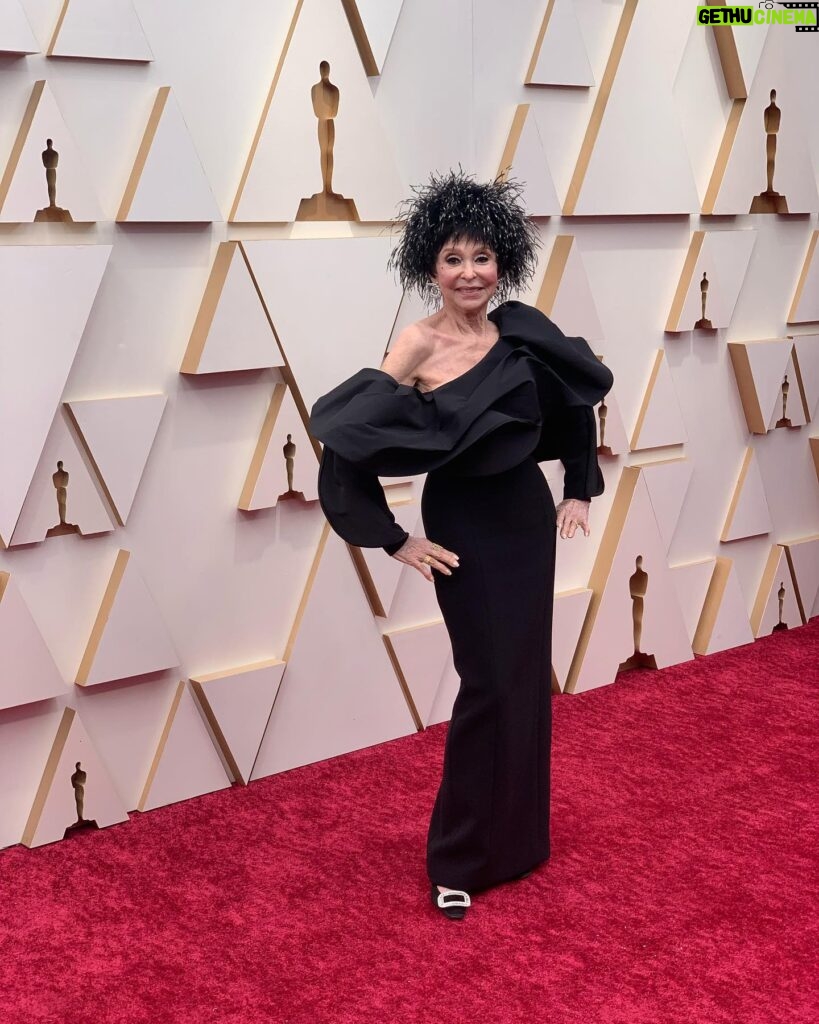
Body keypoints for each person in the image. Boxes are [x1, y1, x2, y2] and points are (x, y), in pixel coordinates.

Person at [309, 171, 613, 920]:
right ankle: (458, 857)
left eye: (481, 258)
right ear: (430, 267)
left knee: (522, 681)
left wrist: (576, 487)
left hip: (523, 516)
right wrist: (392, 539)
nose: (470, 272)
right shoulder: (416, 342)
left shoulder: (520, 328)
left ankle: (518, 843)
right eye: (453, 259)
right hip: (461, 524)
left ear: (501, 261)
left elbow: (572, 404)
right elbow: (346, 441)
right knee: (486, 683)